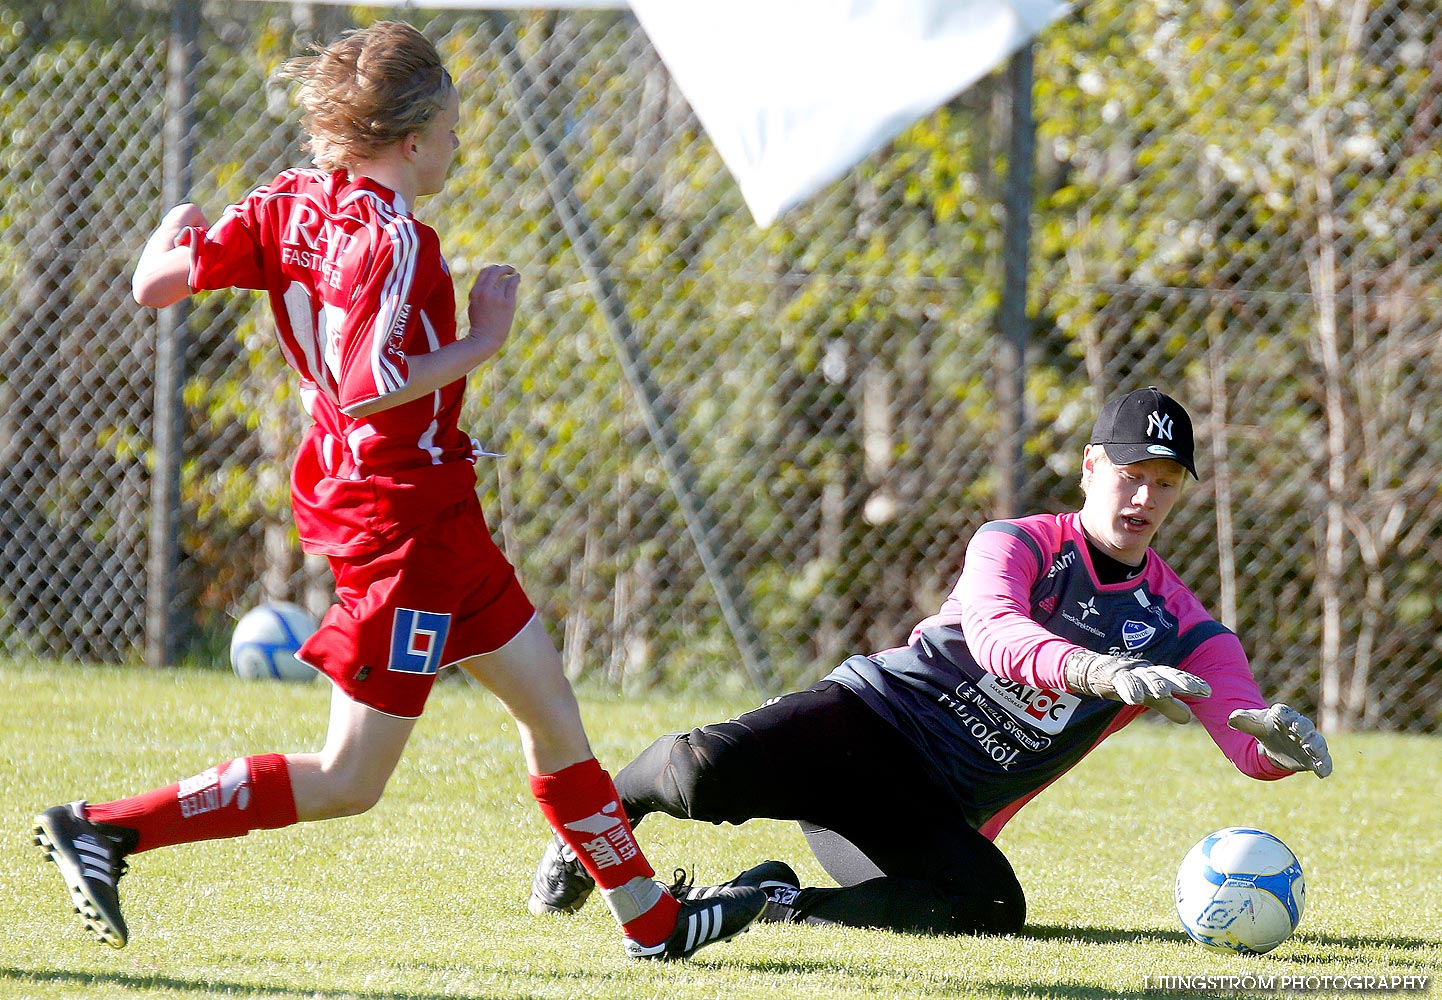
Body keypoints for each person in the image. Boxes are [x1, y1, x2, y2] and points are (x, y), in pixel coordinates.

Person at [33, 20, 763, 961]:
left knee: (551, 711)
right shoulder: (399, 241)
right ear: (413, 140)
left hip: (433, 506)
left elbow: (155, 287)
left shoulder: (290, 201)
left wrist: (166, 239)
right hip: (398, 526)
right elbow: (366, 385)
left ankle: (653, 924)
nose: (458, 147)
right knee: (349, 779)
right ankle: (106, 828)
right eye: (453, 131)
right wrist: (481, 341)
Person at [527, 386, 1333, 935]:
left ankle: (769, 900)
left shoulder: (1187, 628)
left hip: (929, 805)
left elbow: (1240, 728)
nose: (1143, 499)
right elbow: (994, 634)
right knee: (703, 771)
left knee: (987, 906)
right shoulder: (1016, 542)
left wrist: (1274, 751)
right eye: (1130, 476)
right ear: (1092, 467)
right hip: (866, 723)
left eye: (1164, 483)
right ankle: (598, 821)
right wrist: (1100, 672)